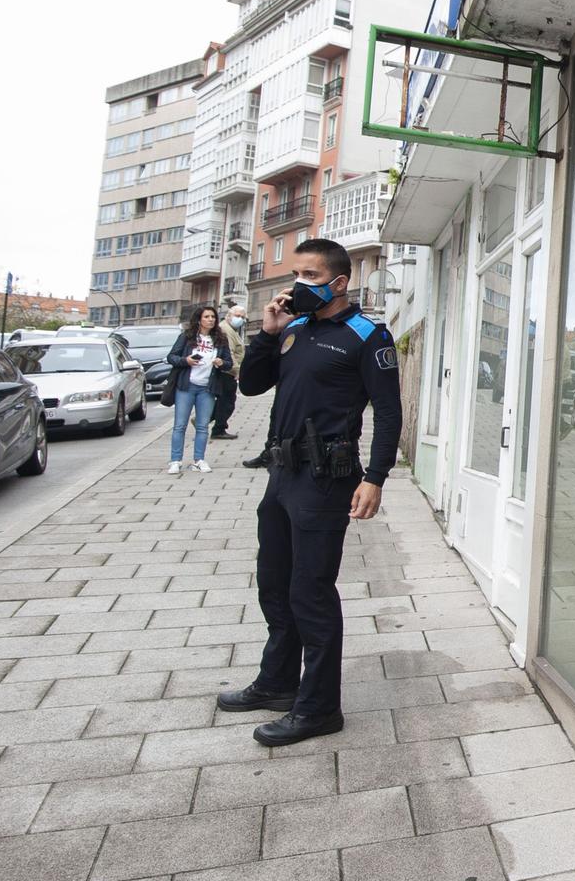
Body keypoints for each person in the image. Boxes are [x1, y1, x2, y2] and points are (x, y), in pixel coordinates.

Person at [221, 238, 401, 746]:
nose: (297, 284)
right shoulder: (294, 329)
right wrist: (266, 332)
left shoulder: (368, 336)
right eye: (295, 274)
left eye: (309, 275)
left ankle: (320, 709)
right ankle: (278, 683)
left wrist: (376, 477)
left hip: (327, 479)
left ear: (339, 282)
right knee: (274, 584)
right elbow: (252, 386)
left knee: (311, 593)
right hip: (282, 475)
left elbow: (388, 413)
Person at [164, 305, 231, 476]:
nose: (211, 319)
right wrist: (186, 360)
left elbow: (228, 362)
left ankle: (199, 460)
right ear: (199, 319)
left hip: (207, 388)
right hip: (186, 387)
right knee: (180, 425)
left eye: (213, 317)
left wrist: (221, 363)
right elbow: (172, 357)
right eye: (207, 317)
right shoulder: (187, 337)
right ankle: (175, 461)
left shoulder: (220, 339)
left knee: (202, 426)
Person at [209, 304, 247, 440]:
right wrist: (236, 371)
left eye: (242, 317)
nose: (240, 319)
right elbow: (229, 353)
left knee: (223, 401)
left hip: (227, 370)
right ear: (229, 316)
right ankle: (218, 429)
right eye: (238, 316)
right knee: (227, 401)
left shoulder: (231, 329)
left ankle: (204, 420)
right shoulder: (226, 330)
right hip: (227, 371)